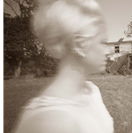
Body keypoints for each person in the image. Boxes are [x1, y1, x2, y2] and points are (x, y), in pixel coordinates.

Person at [12, 0, 114, 133]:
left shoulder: (92, 91)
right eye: (103, 42)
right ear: (79, 44)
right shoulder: (46, 122)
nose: (108, 51)